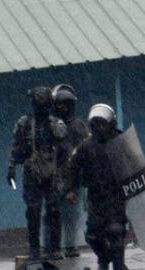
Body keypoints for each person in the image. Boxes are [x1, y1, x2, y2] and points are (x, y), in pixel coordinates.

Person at [65, 104, 130, 270]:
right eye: (96, 124)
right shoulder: (86, 146)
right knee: (93, 236)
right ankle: (104, 258)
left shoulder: (122, 141)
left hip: (117, 195)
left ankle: (119, 269)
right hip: (95, 196)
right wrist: (71, 189)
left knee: (116, 231)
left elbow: (135, 165)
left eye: (103, 123)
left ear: (111, 124)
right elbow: (73, 167)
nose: (99, 127)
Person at [8, 87, 70, 260]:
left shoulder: (56, 124)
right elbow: (16, 147)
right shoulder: (25, 123)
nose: (39, 108)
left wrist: (63, 173)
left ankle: (55, 247)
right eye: (37, 104)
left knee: (54, 209)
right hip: (32, 171)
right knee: (33, 211)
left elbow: (64, 148)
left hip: (52, 171)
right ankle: (35, 248)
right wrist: (12, 167)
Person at [51, 85, 90, 257]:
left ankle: (70, 246)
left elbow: (84, 154)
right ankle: (53, 247)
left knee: (71, 215)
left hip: (72, 177)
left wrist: (74, 186)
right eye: (59, 105)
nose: (62, 108)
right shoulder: (49, 126)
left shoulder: (79, 127)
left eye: (66, 105)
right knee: (52, 214)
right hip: (52, 178)